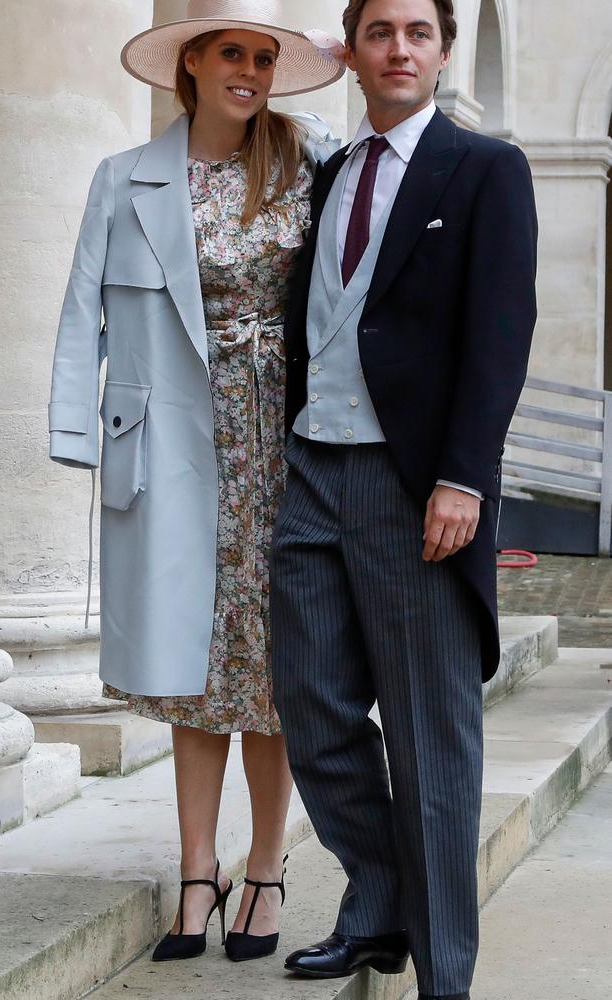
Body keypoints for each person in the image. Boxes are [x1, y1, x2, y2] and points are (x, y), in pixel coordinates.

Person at [48, 0, 343, 966]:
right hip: (171, 439)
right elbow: (79, 309)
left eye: (265, 56)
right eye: (232, 52)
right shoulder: (121, 177)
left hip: (285, 443)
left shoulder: (313, 162)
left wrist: (342, 54)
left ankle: (265, 867)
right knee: (191, 671)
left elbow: (392, 163)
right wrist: (74, 435)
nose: (250, 70)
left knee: (270, 668)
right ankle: (195, 870)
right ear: (192, 66)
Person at [270, 0, 538, 997]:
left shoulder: (485, 169)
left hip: (413, 480)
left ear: (440, 50)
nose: (397, 49)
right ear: (351, 49)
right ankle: (376, 897)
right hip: (312, 468)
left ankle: (442, 972)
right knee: (309, 703)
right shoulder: (334, 173)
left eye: (415, 33)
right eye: (378, 31)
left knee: (430, 737)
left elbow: (498, 330)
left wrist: (463, 476)